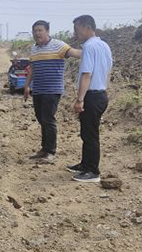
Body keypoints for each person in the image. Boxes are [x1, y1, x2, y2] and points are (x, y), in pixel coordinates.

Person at [24, 20, 81, 164]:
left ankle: (50, 152)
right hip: (38, 90)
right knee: (41, 118)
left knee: (48, 119)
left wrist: (92, 49)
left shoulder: (58, 45)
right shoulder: (34, 49)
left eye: (40, 30)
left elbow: (75, 53)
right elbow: (31, 69)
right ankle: (44, 148)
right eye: (35, 31)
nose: (37, 33)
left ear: (47, 31)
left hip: (52, 89)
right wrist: (26, 86)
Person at [68, 15, 113, 183]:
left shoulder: (88, 47)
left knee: (90, 135)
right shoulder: (104, 45)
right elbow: (108, 70)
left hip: (92, 96)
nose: (75, 33)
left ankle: (93, 171)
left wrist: (80, 100)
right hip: (101, 94)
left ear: (87, 27)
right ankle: (85, 164)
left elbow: (86, 74)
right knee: (87, 133)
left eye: (77, 29)